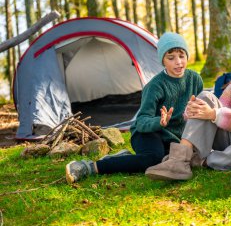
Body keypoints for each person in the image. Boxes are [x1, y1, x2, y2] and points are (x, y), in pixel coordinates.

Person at [145, 32, 231, 181]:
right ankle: (179, 161)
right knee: (206, 97)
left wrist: (213, 114)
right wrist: (193, 110)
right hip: (230, 138)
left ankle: (198, 160)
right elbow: (218, 109)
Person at [65, 32, 203, 183]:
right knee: (152, 159)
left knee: (178, 159)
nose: (178, 62)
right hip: (147, 133)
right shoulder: (155, 86)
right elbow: (142, 120)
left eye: (181, 56)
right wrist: (159, 121)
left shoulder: (195, 79)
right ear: (163, 60)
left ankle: (124, 157)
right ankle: (91, 166)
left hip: (172, 136)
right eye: (171, 58)